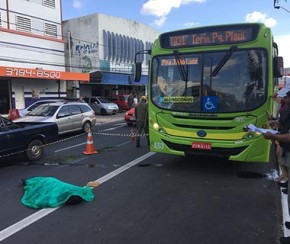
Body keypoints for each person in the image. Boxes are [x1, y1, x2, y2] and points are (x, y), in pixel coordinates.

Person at [263, 90, 290, 244]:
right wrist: (276, 124)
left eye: (286, 96)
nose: (284, 99)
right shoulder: (286, 108)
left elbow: (288, 136)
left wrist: (272, 135)